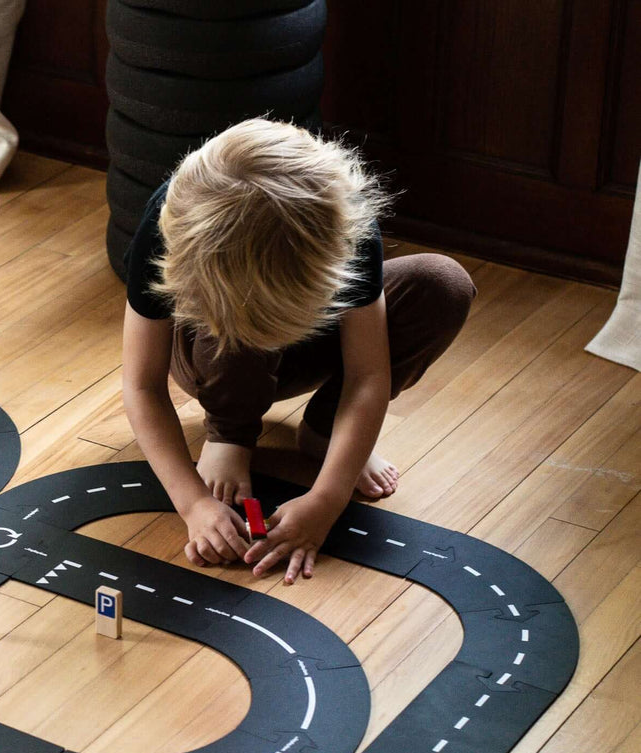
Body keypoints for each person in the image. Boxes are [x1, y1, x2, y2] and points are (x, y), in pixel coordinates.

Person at [121, 118, 476, 584]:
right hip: (210, 353)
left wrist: (328, 498)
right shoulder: (171, 220)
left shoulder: (342, 219)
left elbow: (369, 375)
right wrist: (193, 502)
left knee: (442, 283)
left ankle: (326, 431)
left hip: (311, 337)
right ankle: (230, 432)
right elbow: (142, 384)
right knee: (240, 309)